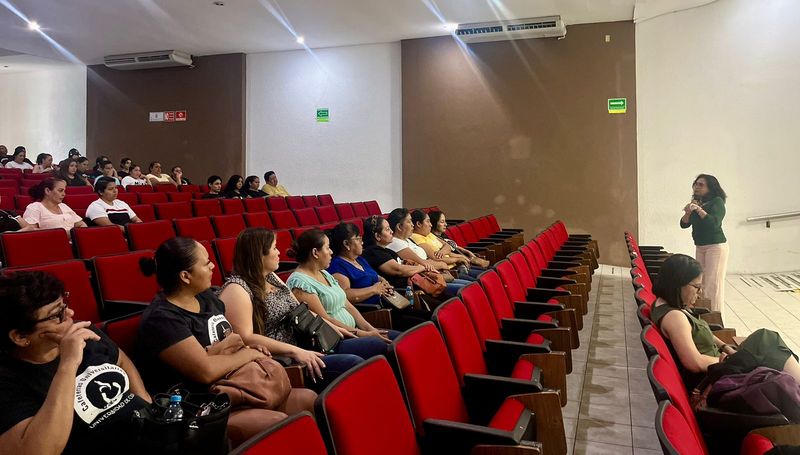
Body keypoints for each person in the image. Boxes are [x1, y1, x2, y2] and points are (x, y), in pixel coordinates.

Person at [136, 237, 317, 445]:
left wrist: (235, 350)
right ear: (185, 276)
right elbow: (206, 371)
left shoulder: (206, 297)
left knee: (308, 399)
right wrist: (247, 353)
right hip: (200, 406)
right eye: (206, 263)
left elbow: (233, 339)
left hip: (236, 382)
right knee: (278, 423)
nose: (213, 265)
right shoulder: (162, 319)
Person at [0, 271, 151, 454]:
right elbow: (38, 450)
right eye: (57, 314)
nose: (70, 314)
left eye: (65, 306)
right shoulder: (8, 379)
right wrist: (69, 363)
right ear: (21, 336)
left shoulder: (81, 331)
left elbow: (121, 360)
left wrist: (144, 402)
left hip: (148, 432)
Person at [218, 228, 364, 392]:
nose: (279, 252)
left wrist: (331, 327)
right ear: (259, 254)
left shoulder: (271, 277)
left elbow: (300, 310)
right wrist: (296, 351)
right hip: (284, 361)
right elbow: (245, 337)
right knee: (355, 364)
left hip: (306, 343)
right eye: (274, 248)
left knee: (371, 348)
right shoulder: (237, 289)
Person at [651, 254, 800, 390]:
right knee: (767, 340)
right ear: (678, 284)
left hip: (720, 364)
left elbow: (702, 333)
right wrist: (726, 360)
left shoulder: (668, 304)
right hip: (715, 375)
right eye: (696, 287)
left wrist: (725, 347)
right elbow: (694, 362)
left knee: (767, 343)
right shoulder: (675, 318)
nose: (700, 292)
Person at [286, 229, 401, 358]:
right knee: (385, 346)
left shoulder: (324, 273)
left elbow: (348, 305)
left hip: (354, 332)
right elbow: (325, 320)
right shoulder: (300, 283)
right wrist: (364, 334)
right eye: (327, 248)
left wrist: (370, 329)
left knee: (400, 339)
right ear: (315, 253)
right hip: (335, 341)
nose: (331, 252)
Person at [386, 208, 470, 297]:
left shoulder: (407, 239)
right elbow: (422, 263)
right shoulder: (396, 243)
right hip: (427, 281)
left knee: (471, 286)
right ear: (399, 227)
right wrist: (441, 264)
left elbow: (446, 247)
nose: (412, 225)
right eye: (409, 222)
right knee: (467, 290)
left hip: (435, 275)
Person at [680, 174, 729, 314]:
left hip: (716, 247)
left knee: (713, 285)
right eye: (696, 184)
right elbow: (684, 224)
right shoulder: (697, 201)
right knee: (700, 282)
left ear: (710, 188)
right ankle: (703, 316)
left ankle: (716, 317)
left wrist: (698, 210)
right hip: (700, 246)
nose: (697, 187)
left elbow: (714, 223)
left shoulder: (717, 202)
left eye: (701, 185)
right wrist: (688, 212)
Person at [409, 209, 480, 281]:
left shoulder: (429, 234)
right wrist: (458, 259)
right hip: (450, 271)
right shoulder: (416, 237)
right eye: (428, 221)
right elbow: (436, 258)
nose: (430, 224)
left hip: (457, 266)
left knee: (485, 274)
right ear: (418, 224)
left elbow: (448, 246)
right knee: (477, 283)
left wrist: (442, 252)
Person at [361, 215, 428, 289]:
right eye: (387, 229)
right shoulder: (373, 252)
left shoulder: (386, 250)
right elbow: (399, 270)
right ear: (378, 236)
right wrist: (423, 267)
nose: (392, 231)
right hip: (401, 293)